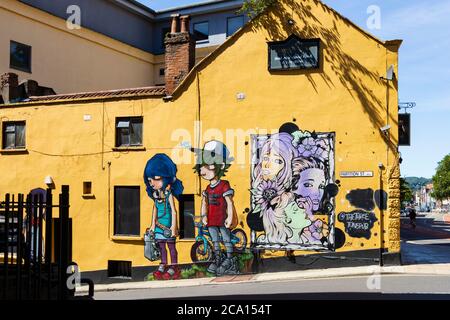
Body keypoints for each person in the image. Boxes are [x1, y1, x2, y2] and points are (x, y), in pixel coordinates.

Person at [192, 140, 239, 276]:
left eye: (209, 165)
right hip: (212, 220)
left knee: (226, 239)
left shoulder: (224, 184)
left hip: (222, 220)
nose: (203, 170)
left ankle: (230, 258)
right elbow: (204, 203)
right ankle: (218, 258)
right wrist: (204, 216)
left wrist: (230, 217)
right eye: (202, 165)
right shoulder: (207, 188)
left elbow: (229, 202)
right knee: (215, 240)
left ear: (221, 165)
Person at [251, 133, 299, 245]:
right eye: (266, 158)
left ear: (286, 167)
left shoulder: (287, 196)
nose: (268, 164)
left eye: (277, 161)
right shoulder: (258, 189)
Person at [144, 154, 184, 280]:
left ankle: (174, 266)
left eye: (156, 178)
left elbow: (174, 211)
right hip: (159, 227)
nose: (152, 183)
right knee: (161, 246)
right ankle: (163, 264)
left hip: (168, 227)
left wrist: (173, 227)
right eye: (150, 180)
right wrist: (152, 226)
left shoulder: (168, 195)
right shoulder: (156, 196)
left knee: (171, 247)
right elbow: (154, 211)